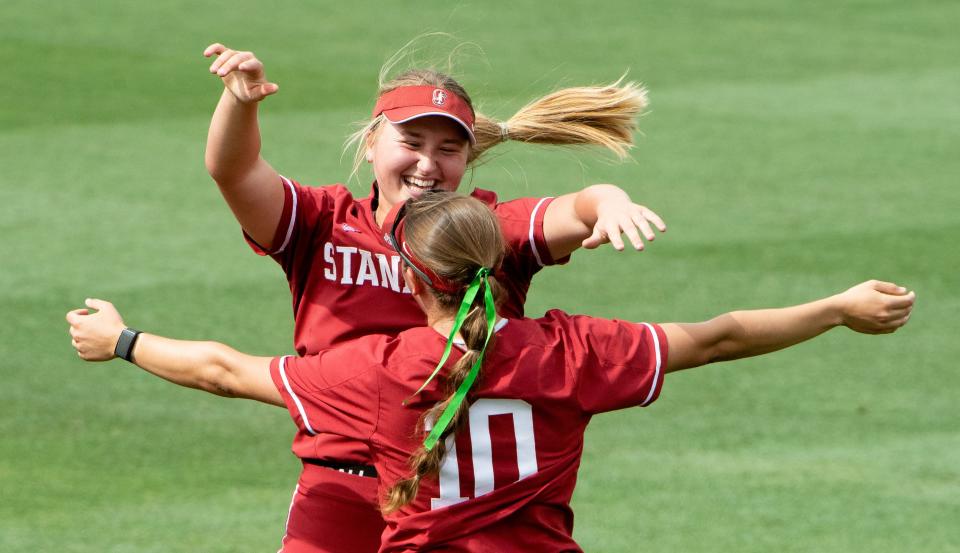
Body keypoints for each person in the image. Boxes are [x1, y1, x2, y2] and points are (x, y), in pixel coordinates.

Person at [68, 193, 914, 553]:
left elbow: (224, 369)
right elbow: (720, 335)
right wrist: (835, 304)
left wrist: (122, 337)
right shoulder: (570, 350)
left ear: (409, 278)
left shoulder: (374, 369)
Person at [200, 41, 666, 551]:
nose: (428, 164)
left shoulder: (484, 231)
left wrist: (611, 202)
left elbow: (579, 208)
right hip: (338, 484)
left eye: (448, 149)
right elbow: (235, 171)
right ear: (371, 143)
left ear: (468, 156)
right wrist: (240, 103)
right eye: (412, 142)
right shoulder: (323, 222)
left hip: (454, 500)